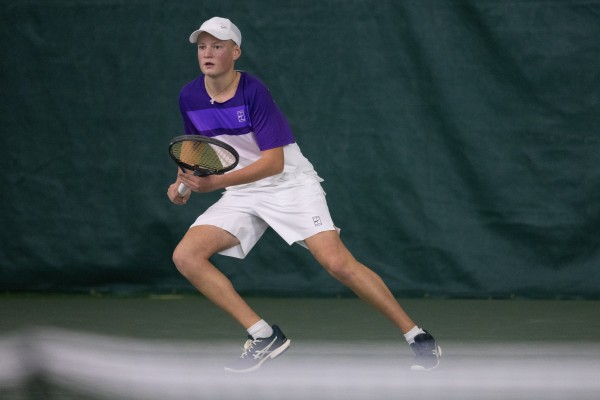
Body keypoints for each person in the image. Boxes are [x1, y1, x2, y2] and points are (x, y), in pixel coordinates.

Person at [167, 16, 441, 373]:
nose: (207, 53)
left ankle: (418, 337)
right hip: (241, 191)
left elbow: (274, 163)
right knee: (187, 256)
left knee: (337, 263)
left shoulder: (253, 92)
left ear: (235, 52)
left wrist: (215, 184)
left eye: (217, 46)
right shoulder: (189, 96)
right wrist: (182, 185)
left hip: (289, 184)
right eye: (202, 46)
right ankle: (264, 335)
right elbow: (197, 149)